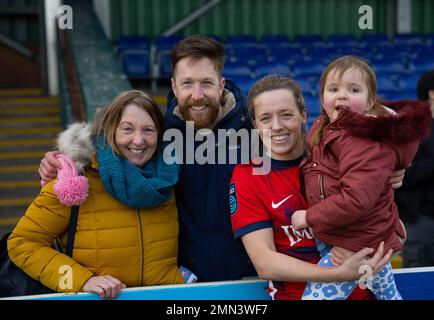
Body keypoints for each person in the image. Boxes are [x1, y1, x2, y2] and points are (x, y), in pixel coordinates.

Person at [37, 36, 405, 284]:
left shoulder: (257, 129)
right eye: (187, 84)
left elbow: (343, 159)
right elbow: (112, 149)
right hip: (182, 282)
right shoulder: (159, 135)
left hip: (255, 280)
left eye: (206, 83)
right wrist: (67, 160)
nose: (197, 94)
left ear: (222, 83)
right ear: (174, 87)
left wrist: (393, 168)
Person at [8, 90, 185, 299]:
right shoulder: (76, 179)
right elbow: (22, 243)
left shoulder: (170, 177)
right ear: (110, 130)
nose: (139, 140)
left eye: (148, 130)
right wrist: (82, 281)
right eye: (127, 129)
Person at [230, 75, 393, 300]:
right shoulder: (247, 176)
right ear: (256, 125)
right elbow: (265, 263)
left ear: (303, 115)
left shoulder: (341, 157)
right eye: (265, 118)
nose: (277, 126)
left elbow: (389, 226)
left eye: (286, 115)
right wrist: (337, 273)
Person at [290, 56, 431, 300]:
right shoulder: (326, 126)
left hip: (356, 242)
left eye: (353, 90)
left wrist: (309, 217)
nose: (342, 96)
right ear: (322, 98)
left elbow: (356, 199)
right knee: (388, 295)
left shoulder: (364, 141)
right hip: (358, 234)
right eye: (333, 89)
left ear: (369, 102)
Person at [395, 70, 434, 267]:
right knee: (420, 281)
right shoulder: (412, 128)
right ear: (431, 93)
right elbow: (400, 174)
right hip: (421, 221)